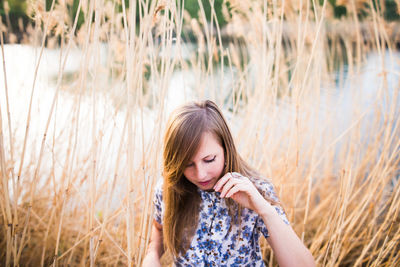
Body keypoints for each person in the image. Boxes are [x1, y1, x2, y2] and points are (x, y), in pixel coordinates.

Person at [142, 100, 315, 267]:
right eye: (187, 164)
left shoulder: (256, 190)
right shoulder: (168, 188)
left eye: (209, 160)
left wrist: (263, 209)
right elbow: (159, 228)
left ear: (226, 149)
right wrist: (152, 255)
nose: (200, 174)